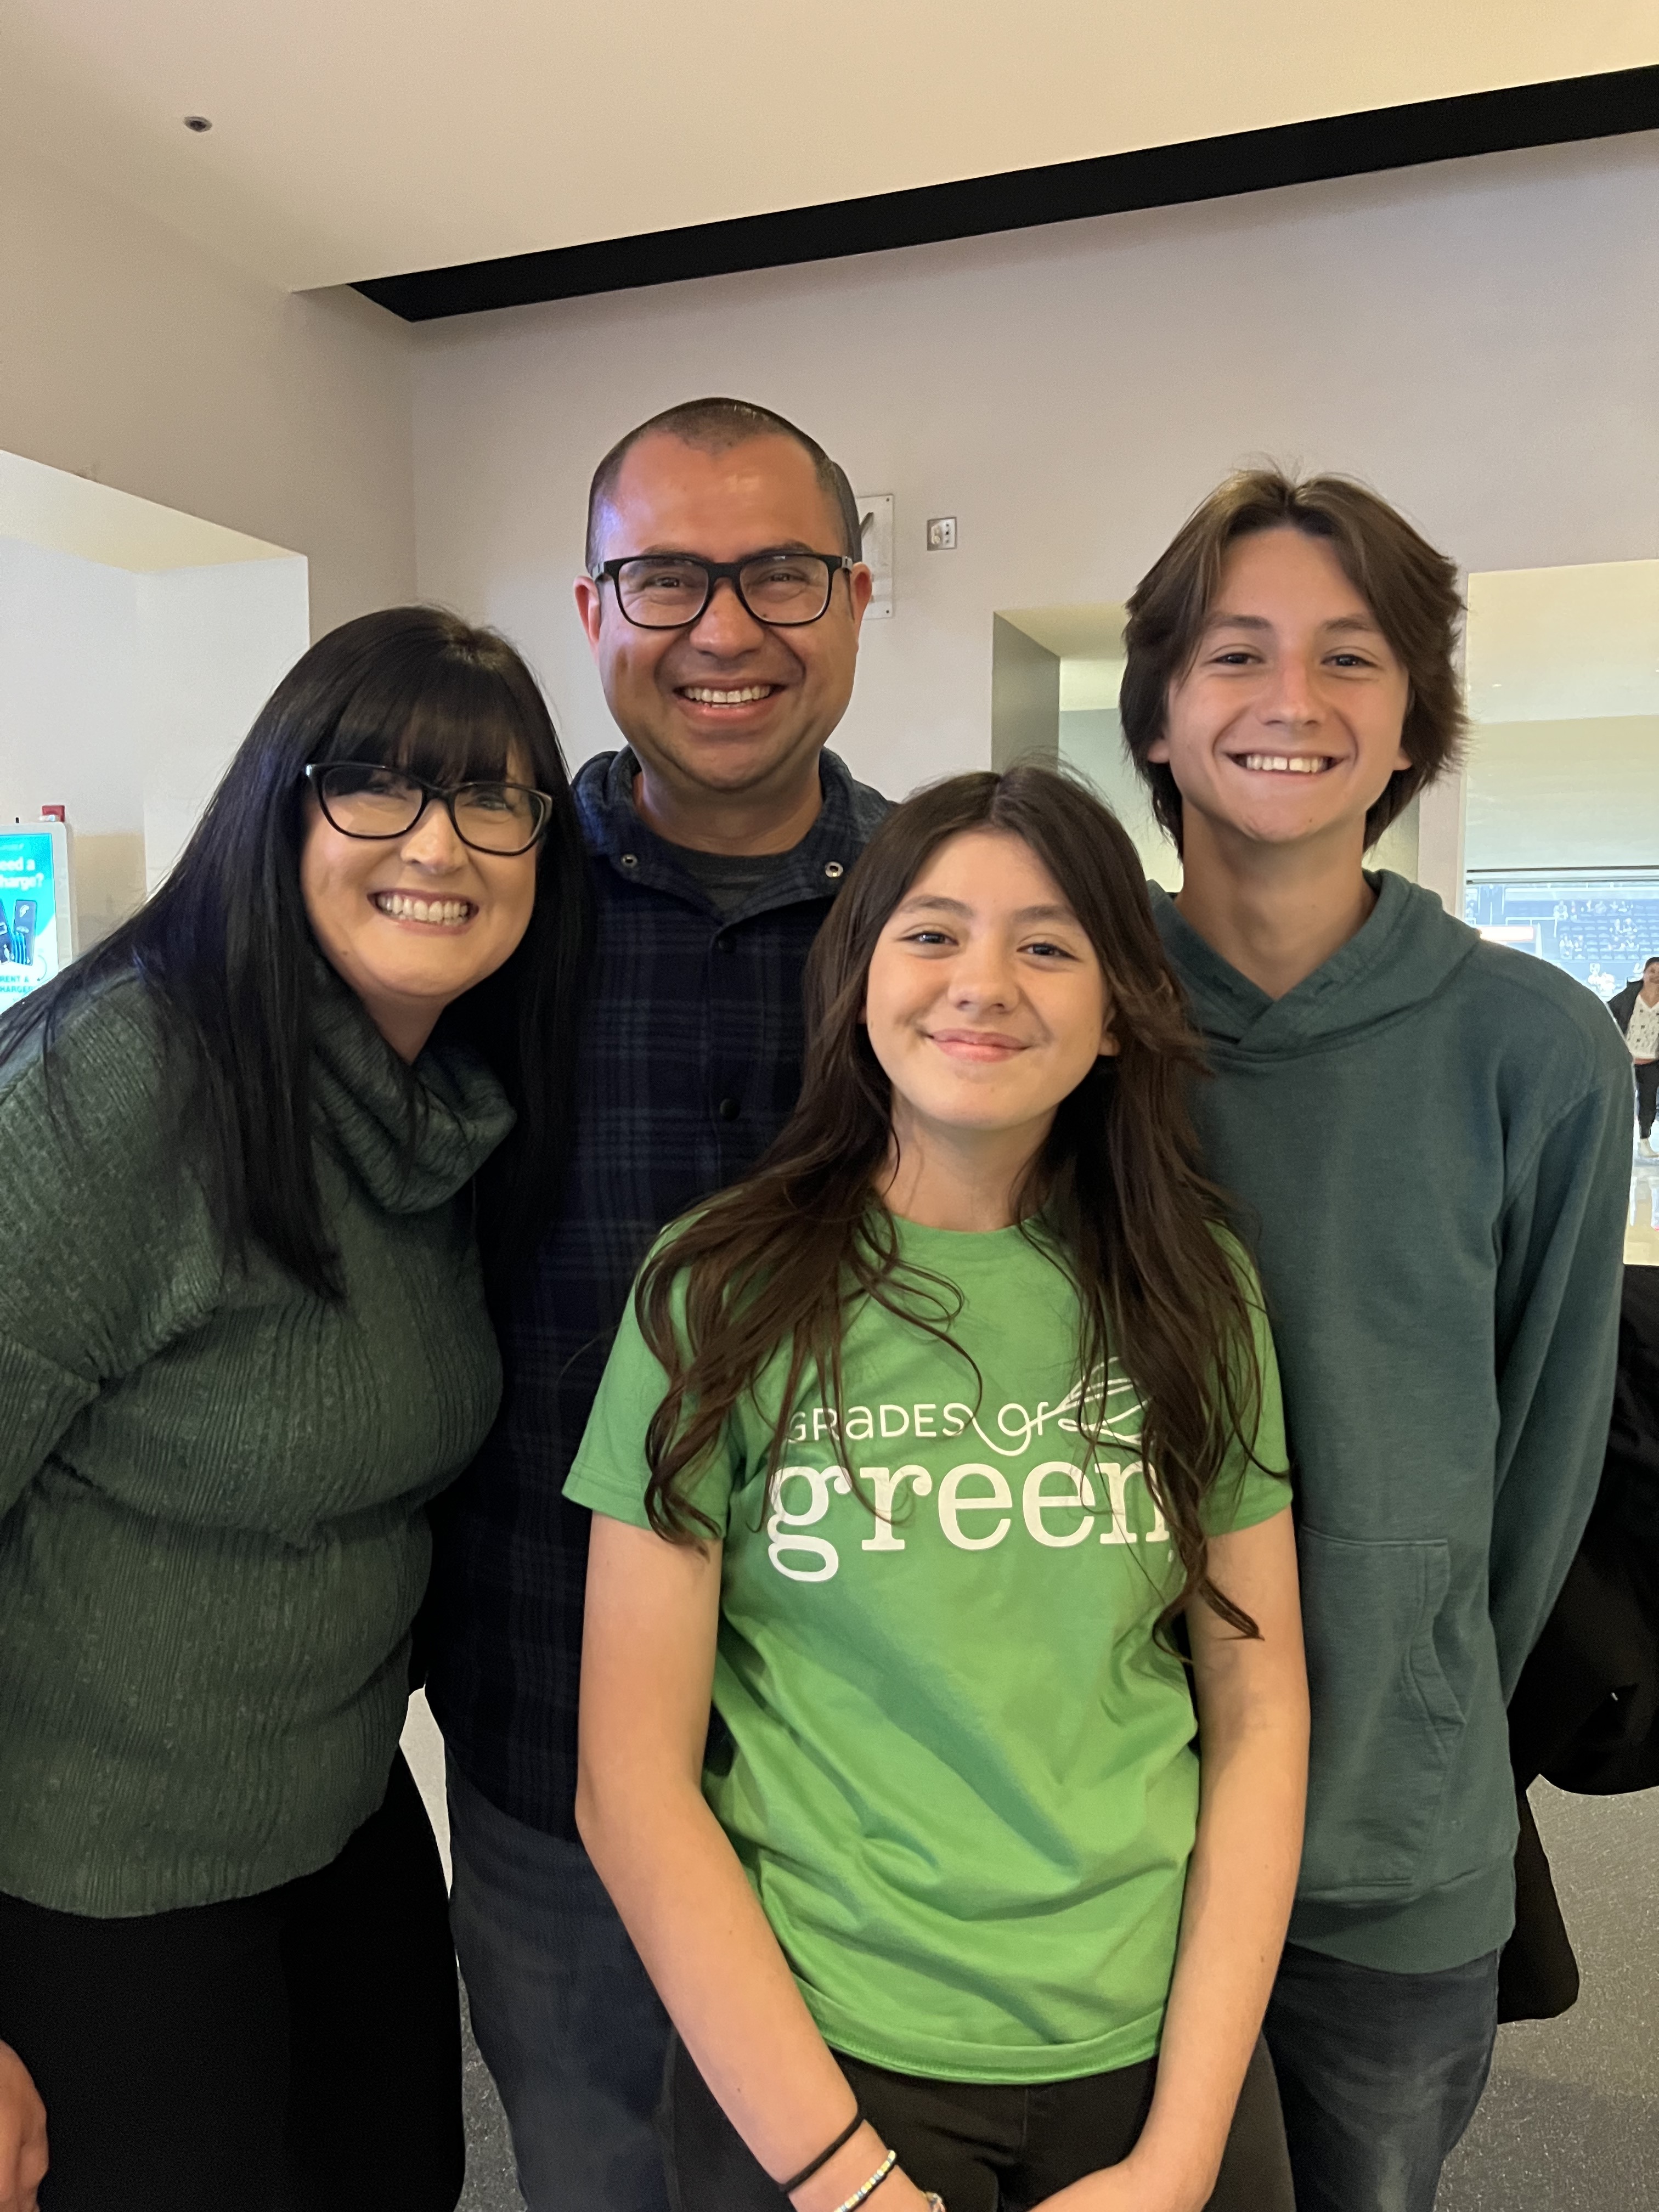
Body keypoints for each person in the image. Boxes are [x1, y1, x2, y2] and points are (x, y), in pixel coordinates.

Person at [568, 767, 1306, 2212]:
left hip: (1151, 2044)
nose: (984, 982)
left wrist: (1180, 2154)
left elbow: (1261, 1710)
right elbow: (629, 1785)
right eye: (931, 933)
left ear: (1118, 1012)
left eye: (1048, 945)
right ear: (857, 978)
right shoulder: (716, 1290)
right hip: (828, 2057)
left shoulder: (1194, 1287)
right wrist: (848, 2183)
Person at [0, 607, 586, 2212]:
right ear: (280, 808)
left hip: (339, 1832)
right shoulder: (118, 1086)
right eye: (376, 784)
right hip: (90, 1886)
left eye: (492, 798)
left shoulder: (445, 1115)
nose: (437, 844)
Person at [1119, 469, 1633, 2212]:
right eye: (1236, 652)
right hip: (1092, 1838)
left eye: (1351, 657)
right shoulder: (1066, 1021)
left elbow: (1541, 1466)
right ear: (1159, 714)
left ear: (1415, 719)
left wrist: (1420, 1723)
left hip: (1391, 1854)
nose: (1293, 698)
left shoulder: (1536, 1051)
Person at [420, 397, 889, 2206]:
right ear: (591, 608)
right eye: (665, 578)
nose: (723, 629)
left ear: (856, 595)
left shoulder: (948, 916)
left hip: (882, 1760)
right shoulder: (480, 908)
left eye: (779, 573)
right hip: (549, 1733)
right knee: (601, 2172)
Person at [1610, 954, 1659, 1156]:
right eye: (1652, 971)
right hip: (1626, 1061)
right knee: (1622, 1102)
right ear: (1644, 973)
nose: (1656, 976)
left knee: (1648, 1105)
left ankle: (1644, 1142)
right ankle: (1617, 1143)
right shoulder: (1630, 995)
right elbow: (1607, 1011)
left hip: (1652, 1062)